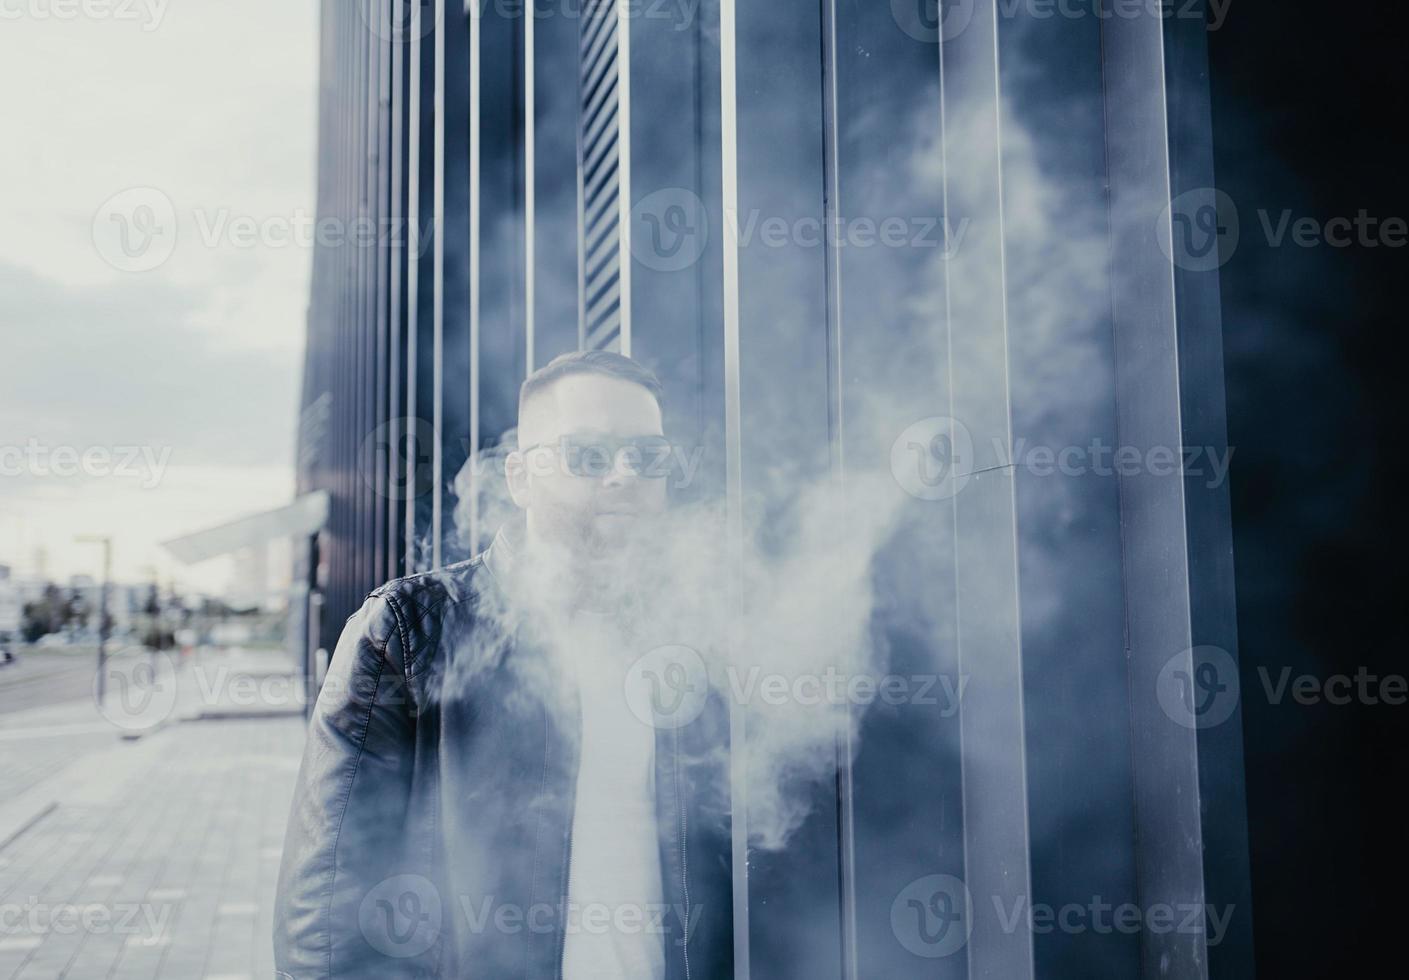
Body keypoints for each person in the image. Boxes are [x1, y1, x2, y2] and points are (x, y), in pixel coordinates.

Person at [274, 350, 733, 979]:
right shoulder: (409, 629)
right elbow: (327, 913)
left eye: (648, 457)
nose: (625, 475)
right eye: (589, 455)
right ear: (519, 477)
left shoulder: (697, 637)